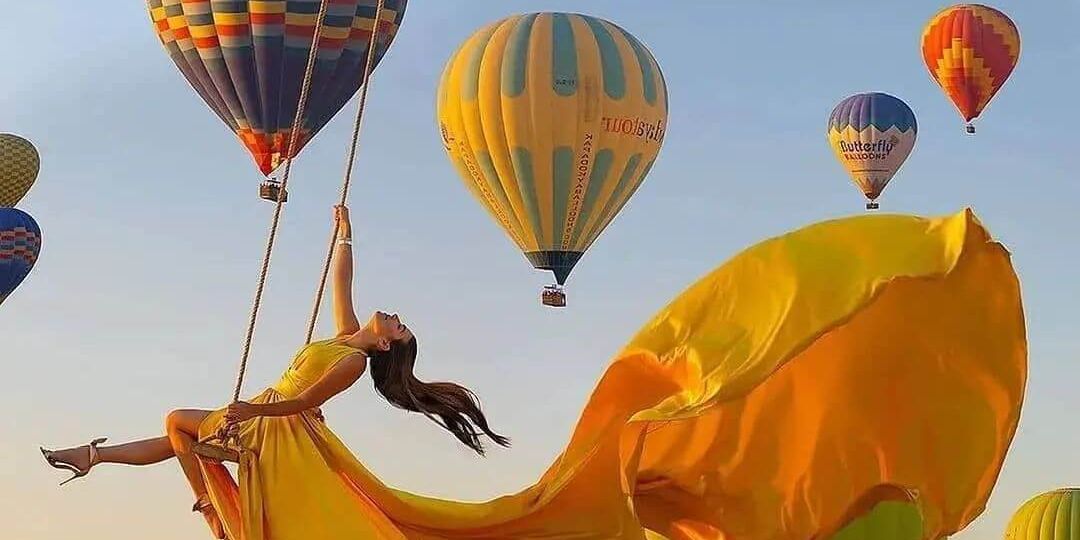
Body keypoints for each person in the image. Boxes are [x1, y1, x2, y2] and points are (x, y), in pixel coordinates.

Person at [40, 205, 509, 539]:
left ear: (385, 343)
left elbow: (307, 401)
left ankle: (211, 512)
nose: (394, 315)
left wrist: (250, 409)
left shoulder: (351, 361)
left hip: (276, 426)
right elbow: (340, 281)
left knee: (178, 422)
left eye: (398, 327)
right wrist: (345, 232)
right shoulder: (344, 336)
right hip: (266, 412)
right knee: (178, 435)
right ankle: (93, 458)